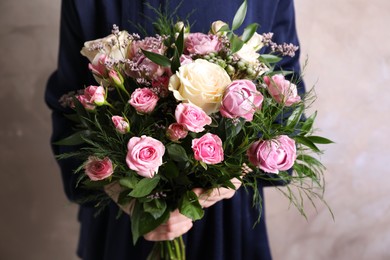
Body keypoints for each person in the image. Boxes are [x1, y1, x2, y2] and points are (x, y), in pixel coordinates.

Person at [45, 0, 304, 259]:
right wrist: (120, 191)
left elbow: (285, 92)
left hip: (225, 214)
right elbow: (68, 101)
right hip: (123, 214)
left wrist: (240, 170)